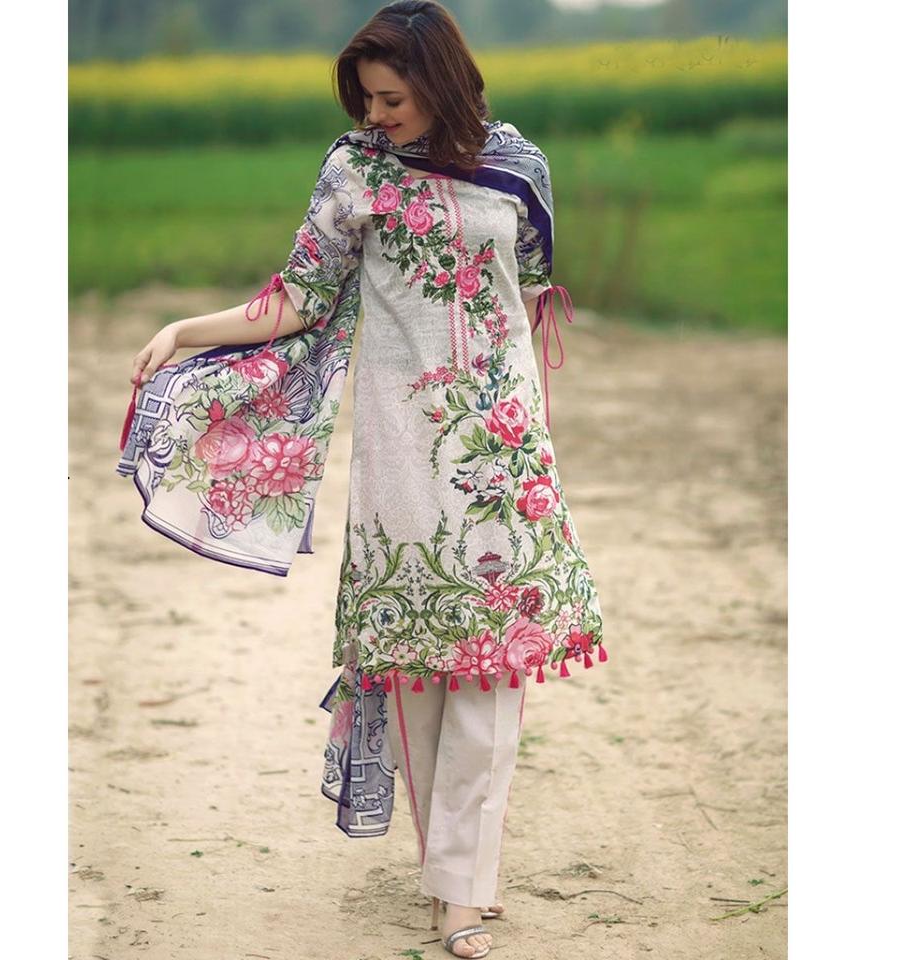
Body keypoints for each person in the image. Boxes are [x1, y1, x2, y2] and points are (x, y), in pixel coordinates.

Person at [119, 2, 606, 957]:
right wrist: (185, 330)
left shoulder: (519, 168)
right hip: (400, 444)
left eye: (391, 98)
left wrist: (517, 404)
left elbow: (531, 289)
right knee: (419, 660)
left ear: (440, 81)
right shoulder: (355, 172)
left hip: (503, 446)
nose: (376, 116)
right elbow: (298, 298)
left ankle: (464, 888)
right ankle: (448, 872)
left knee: (498, 657)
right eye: (367, 101)